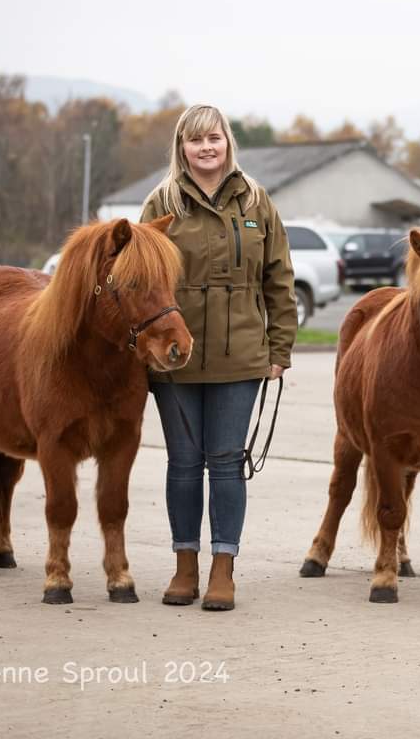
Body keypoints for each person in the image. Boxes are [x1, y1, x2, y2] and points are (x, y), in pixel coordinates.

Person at [141, 103, 297, 611]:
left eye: (215, 138)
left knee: (227, 464)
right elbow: (139, 283)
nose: (206, 148)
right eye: (195, 140)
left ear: (228, 142)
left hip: (241, 358)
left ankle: (222, 571)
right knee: (184, 464)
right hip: (174, 359)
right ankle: (184, 567)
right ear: (181, 148)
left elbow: (279, 280)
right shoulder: (161, 203)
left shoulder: (256, 201)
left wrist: (280, 349)